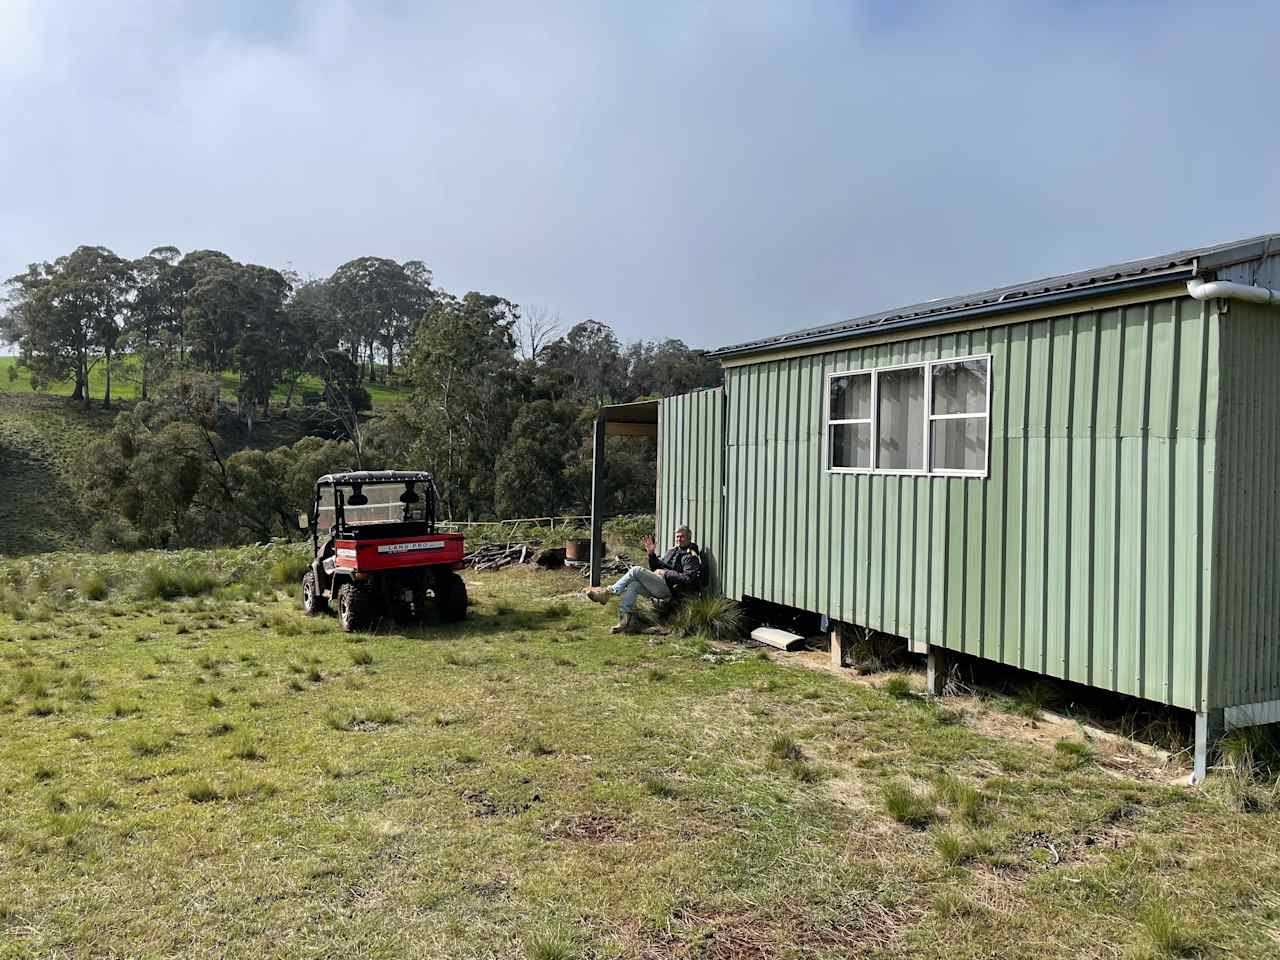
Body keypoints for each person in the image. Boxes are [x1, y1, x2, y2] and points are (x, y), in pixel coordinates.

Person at [585, 524, 702, 634]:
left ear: (689, 537)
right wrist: (651, 554)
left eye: (682, 536)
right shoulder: (673, 551)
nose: (679, 539)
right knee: (634, 585)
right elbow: (657, 567)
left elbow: (688, 578)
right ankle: (624, 621)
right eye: (677, 536)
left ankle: (608, 593)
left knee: (636, 570)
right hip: (660, 584)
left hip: (672, 591)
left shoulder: (691, 556)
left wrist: (666, 572)